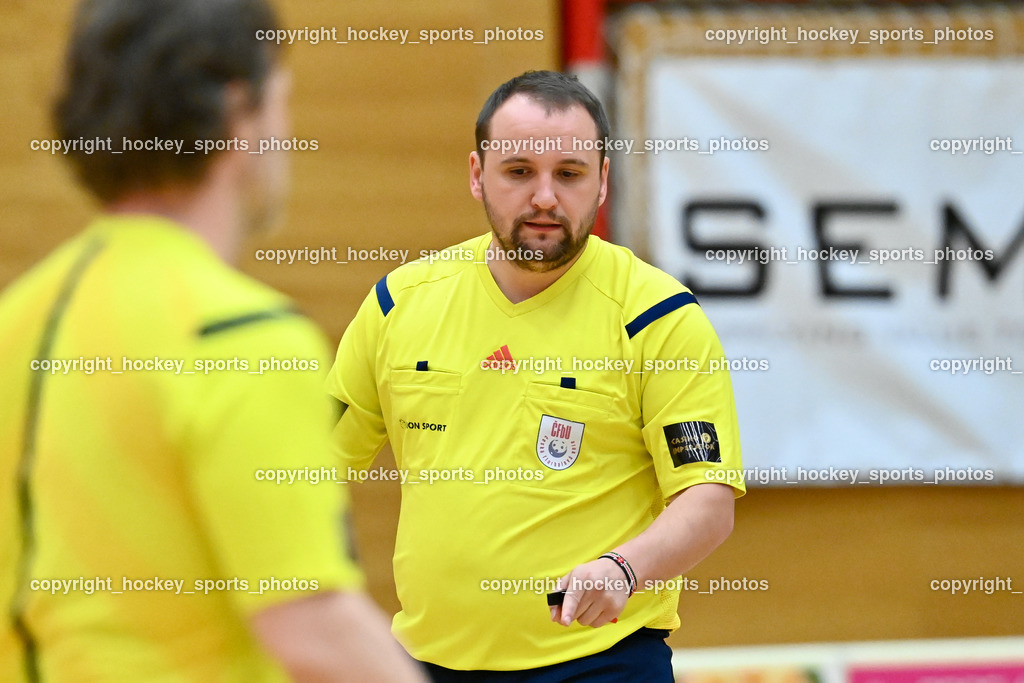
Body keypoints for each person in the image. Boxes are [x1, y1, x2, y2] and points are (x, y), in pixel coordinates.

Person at [0, 0, 426, 681]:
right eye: (282, 100)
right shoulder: (240, 337)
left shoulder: (16, 321)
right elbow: (313, 626)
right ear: (237, 110)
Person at [326, 70, 745, 681]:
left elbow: (706, 499)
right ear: (477, 175)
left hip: (600, 662)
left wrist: (622, 570)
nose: (544, 197)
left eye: (569, 174)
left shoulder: (656, 318)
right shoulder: (399, 303)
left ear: (603, 180)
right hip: (425, 663)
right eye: (519, 171)